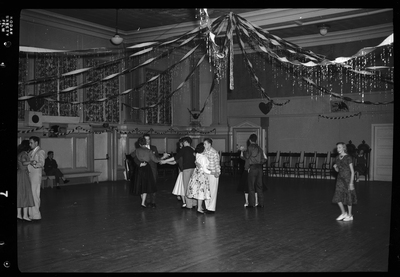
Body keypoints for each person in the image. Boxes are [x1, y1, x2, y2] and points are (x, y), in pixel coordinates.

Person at [131, 134, 168, 208]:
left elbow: (156, 157)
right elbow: (132, 157)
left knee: (153, 185)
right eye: (146, 139)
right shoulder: (139, 149)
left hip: (152, 169)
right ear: (144, 140)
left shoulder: (153, 148)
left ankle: (153, 202)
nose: (148, 141)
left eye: (149, 139)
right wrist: (139, 163)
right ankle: (146, 202)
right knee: (144, 185)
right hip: (144, 169)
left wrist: (162, 157)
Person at [161, 137, 196, 210]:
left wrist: (164, 161)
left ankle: (189, 205)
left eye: (183, 142)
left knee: (186, 187)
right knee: (192, 187)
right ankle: (194, 203)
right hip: (194, 169)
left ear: (186, 142)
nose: (183, 143)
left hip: (186, 169)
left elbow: (175, 158)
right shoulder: (193, 149)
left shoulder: (184, 149)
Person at [332, 142, 357, 221]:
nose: (338, 149)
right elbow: (338, 170)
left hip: (347, 179)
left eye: (339, 147)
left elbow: (352, 171)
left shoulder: (348, 157)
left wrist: (351, 183)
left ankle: (350, 215)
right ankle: (343, 213)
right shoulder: (337, 157)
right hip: (340, 179)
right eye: (337, 148)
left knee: (348, 197)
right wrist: (335, 168)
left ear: (344, 148)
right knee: (337, 196)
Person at [240, 134, 266, 209]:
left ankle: (251, 204)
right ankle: (261, 204)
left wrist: (243, 151)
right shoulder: (260, 149)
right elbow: (264, 159)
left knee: (251, 186)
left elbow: (246, 156)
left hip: (253, 168)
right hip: (260, 168)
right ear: (256, 140)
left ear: (250, 140)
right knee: (259, 186)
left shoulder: (250, 147)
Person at [186, 143, 212, 214]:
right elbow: (205, 169)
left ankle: (200, 207)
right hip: (202, 175)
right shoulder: (203, 157)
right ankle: (199, 208)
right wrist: (212, 172)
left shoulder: (198, 155)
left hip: (197, 174)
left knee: (199, 191)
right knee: (201, 191)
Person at [27, 136, 46, 220]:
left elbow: (41, 163)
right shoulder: (31, 152)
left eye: (31, 142)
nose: (29, 144)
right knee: (32, 195)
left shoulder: (40, 151)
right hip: (31, 175)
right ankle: (32, 214)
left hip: (35, 176)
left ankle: (36, 215)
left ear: (36, 143)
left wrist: (34, 163)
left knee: (35, 195)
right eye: (29, 142)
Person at [17, 140, 35, 221]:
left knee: (20, 194)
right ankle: (24, 215)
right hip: (24, 175)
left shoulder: (20, 153)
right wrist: (31, 162)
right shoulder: (24, 154)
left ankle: (19, 214)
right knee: (26, 194)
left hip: (19, 174)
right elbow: (24, 163)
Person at [203, 138, 221, 213]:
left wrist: (218, 172)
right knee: (206, 190)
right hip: (206, 173)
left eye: (205, 144)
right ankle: (207, 206)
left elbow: (217, 164)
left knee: (213, 191)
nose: (204, 145)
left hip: (213, 174)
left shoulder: (214, 152)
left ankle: (211, 208)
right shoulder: (204, 152)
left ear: (209, 144)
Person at [171, 138, 186, 208]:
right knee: (182, 187)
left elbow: (174, 161)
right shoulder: (181, 154)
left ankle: (185, 202)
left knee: (182, 187)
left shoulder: (183, 153)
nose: (180, 147)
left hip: (185, 172)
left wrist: (165, 161)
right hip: (183, 172)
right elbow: (175, 161)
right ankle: (184, 202)